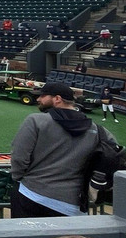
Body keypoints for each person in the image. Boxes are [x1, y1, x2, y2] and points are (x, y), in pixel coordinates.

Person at [9, 81, 114, 218]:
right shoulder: (99, 131)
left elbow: (19, 158)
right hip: (73, 206)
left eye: (43, 96)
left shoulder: (35, 121)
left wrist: (18, 177)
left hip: (31, 196)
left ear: (57, 99)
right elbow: (119, 160)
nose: (38, 99)